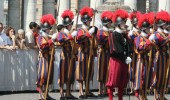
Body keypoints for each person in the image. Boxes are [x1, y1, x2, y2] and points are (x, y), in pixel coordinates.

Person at [106, 9, 132, 100]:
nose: (124, 25)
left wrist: (128, 55)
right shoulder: (113, 34)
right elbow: (116, 49)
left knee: (122, 80)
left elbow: (128, 46)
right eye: (123, 23)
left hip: (123, 60)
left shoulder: (123, 35)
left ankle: (120, 98)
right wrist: (125, 57)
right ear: (118, 24)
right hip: (116, 60)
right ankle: (111, 98)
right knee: (113, 81)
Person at [75, 6, 97, 98]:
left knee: (89, 72)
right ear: (85, 21)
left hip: (90, 53)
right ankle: (81, 91)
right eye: (88, 20)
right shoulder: (81, 30)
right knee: (82, 72)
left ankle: (87, 89)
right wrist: (88, 34)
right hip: (83, 53)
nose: (90, 21)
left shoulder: (89, 29)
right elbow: (79, 39)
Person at [57, 10, 78, 100]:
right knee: (63, 75)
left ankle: (68, 93)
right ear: (66, 25)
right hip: (65, 56)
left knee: (70, 75)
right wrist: (70, 37)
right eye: (70, 24)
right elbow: (60, 41)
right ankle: (62, 93)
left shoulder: (70, 33)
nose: (71, 25)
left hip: (71, 56)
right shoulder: (62, 33)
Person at [149, 11, 170, 100]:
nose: (166, 26)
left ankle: (161, 94)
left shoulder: (165, 34)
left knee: (164, 76)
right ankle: (156, 95)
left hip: (165, 56)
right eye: (164, 24)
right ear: (161, 25)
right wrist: (167, 39)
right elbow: (160, 43)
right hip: (159, 56)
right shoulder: (156, 34)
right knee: (158, 75)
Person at [36, 14, 56, 100]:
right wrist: (51, 41)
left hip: (49, 58)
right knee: (42, 76)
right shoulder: (40, 37)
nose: (49, 30)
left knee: (48, 76)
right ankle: (41, 95)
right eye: (48, 28)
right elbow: (43, 47)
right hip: (44, 58)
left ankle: (46, 94)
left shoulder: (47, 37)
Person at [96, 11, 112, 97]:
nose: (110, 24)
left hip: (108, 54)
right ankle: (100, 89)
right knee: (101, 71)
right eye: (109, 23)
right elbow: (100, 40)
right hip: (102, 53)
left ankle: (105, 89)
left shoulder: (109, 32)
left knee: (107, 71)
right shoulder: (101, 32)